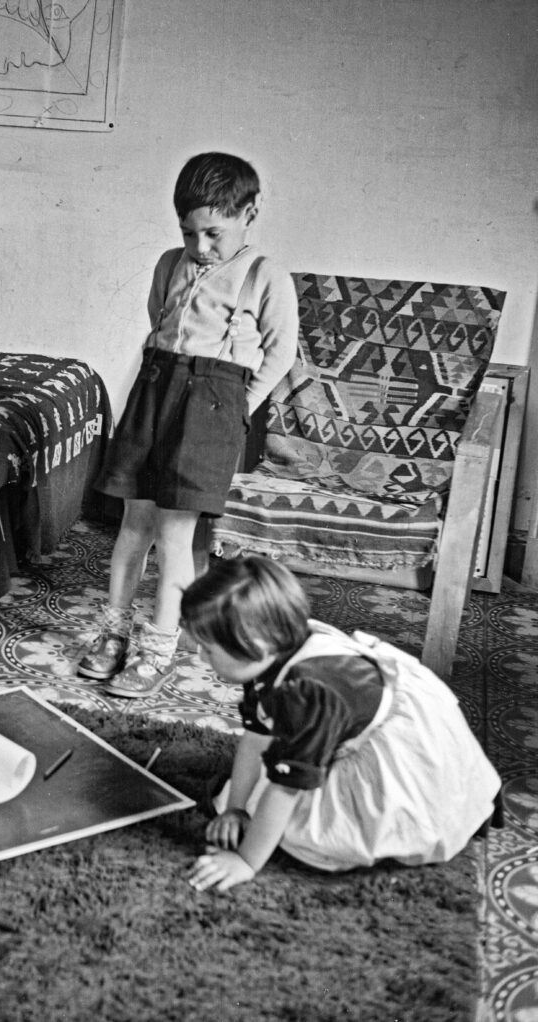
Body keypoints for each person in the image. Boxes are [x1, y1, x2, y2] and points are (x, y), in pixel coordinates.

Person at [79, 151, 299, 697]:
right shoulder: (168, 263)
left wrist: (237, 406)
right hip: (156, 391)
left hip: (214, 402)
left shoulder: (264, 274)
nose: (200, 248)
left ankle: (159, 650)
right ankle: (113, 633)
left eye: (213, 234)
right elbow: (160, 320)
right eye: (189, 233)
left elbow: (280, 351)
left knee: (176, 534)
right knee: (134, 522)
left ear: (251, 211)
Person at [181, 555, 502, 893]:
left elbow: (287, 786)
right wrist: (235, 808)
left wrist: (246, 861)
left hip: (405, 756)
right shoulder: (269, 654)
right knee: (251, 796)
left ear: (256, 646)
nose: (201, 658)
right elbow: (255, 736)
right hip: (349, 717)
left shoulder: (305, 695)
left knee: (305, 834)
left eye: (208, 650)